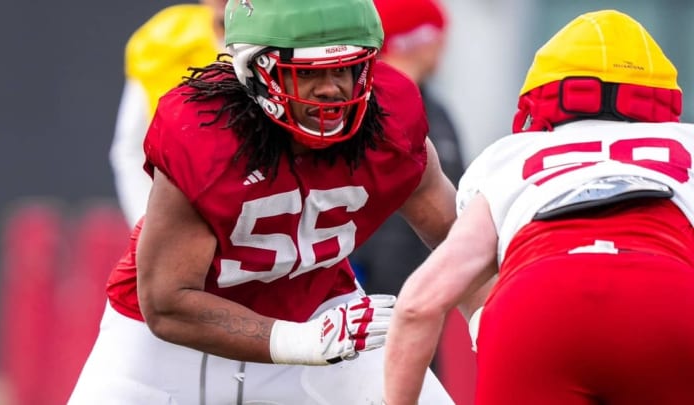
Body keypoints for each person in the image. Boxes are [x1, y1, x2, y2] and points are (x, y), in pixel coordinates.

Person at [69, 0, 464, 403]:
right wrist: (303, 341)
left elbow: (463, 244)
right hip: (172, 349)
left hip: (322, 311)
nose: (331, 89)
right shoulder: (206, 132)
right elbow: (167, 303)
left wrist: (488, 317)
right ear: (255, 73)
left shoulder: (388, 118)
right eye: (307, 73)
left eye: (344, 67)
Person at [384, 9, 694, 405]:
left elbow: (417, 306)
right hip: (666, 299)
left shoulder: (509, 157)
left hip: (537, 309)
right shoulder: (686, 144)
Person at [350, 0, 466, 296]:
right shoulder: (352, 105)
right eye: (438, 36)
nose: (445, 45)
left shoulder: (436, 112)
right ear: (419, 40)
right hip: (356, 292)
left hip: (423, 288)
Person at [109, 0, 226, 228]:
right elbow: (132, 149)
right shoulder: (168, 41)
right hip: (189, 222)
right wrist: (149, 228)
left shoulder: (294, 40)